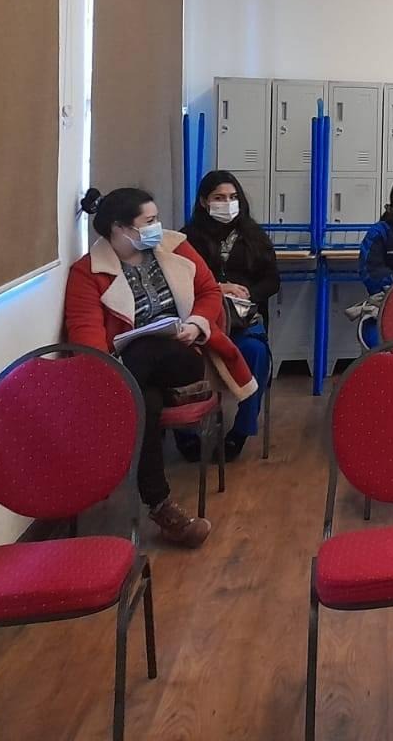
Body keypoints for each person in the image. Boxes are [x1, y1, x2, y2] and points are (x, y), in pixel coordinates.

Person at [64, 187, 258, 547]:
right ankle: (162, 507)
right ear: (120, 229)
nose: (157, 227)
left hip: (184, 355)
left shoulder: (176, 248)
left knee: (146, 355)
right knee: (145, 401)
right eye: (149, 221)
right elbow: (86, 336)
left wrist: (196, 324)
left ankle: (105, 440)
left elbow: (209, 292)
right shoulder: (88, 273)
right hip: (130, 371)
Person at [181, 171, 278, 460]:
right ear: (204, 201)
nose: (228, 203)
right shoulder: (187, 239)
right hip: (202, 322)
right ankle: (186, 433)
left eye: (233, 197)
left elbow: (272, 281)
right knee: (181, 358)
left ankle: (240, 432)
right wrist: (217, 288)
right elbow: (180, 281)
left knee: (255, 353)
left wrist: (248, 294)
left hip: (243, 320)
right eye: (219, 198)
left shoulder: (255, 237)